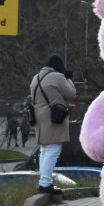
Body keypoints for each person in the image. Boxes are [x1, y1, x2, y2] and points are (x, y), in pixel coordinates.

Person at [30, 55, 77, 195]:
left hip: (40, 119)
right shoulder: (57, 77)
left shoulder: (36, 78)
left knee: (45, 150)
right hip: (54, 118)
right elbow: (72, 94)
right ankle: (45, 184)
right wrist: (68, 78)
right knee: (53, 150)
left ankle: (43, 182)